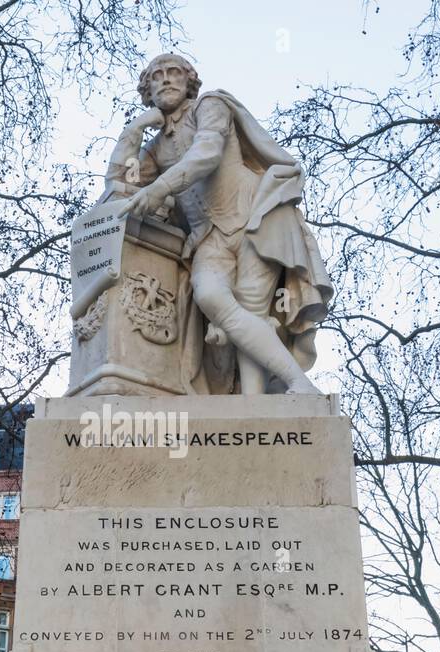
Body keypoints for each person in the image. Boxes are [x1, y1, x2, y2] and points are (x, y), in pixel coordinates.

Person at [106, 53, 332, 395]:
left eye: (174, 73)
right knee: (210, 295)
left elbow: (207, 153)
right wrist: (133, 129)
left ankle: (265, 400)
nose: (166, 80)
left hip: (253, 218)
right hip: (208, 238)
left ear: (189, 83)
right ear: (147, 90)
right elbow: (118, 185)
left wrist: (161, 188)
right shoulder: (153, 149)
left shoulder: (210, 105)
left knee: (250, 307)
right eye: (156, 76)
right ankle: (293, 384)